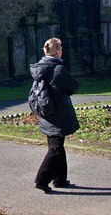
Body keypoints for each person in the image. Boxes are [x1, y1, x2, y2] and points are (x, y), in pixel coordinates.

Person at [30, 37, 80, 193]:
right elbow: (74, 86)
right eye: (61, 48)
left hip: (46, 113)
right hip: (57, 115)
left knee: (57, 146)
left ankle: (59, 179)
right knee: (55, 150)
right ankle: (41, 180)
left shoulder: (40, 67)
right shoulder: (58, 69)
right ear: (58, 51)